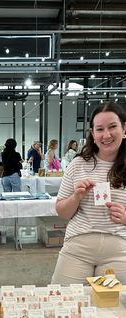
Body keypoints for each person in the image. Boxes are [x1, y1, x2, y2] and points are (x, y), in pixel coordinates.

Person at [51, 101, 126, 285]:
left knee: (115, 306)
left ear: (124, 129)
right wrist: (76, 197)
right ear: (92, 134)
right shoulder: (78, 164)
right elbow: (62, 212)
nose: (106, 135)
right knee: (63, 299)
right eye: (99, 129)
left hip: (119, 247)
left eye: (112, 127)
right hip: (78, 245)